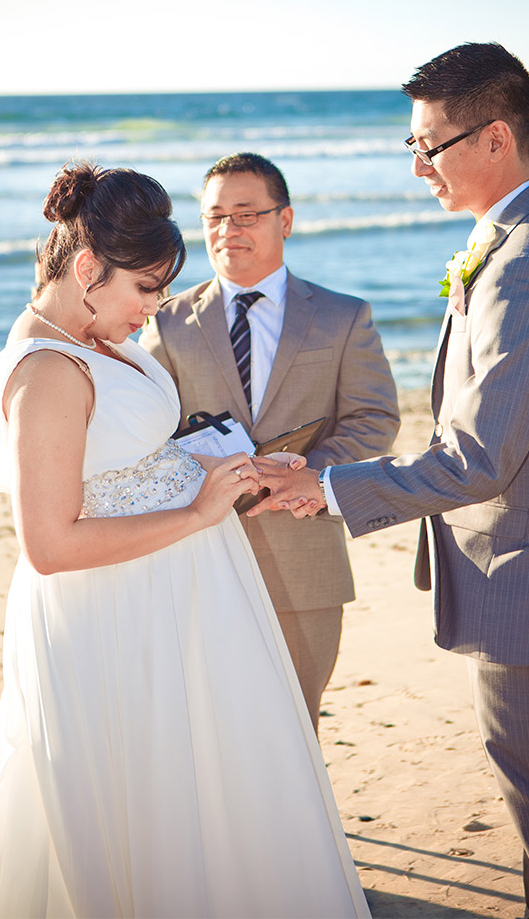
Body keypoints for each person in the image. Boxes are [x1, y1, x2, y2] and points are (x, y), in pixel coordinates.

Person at [255, 43, 529, 917]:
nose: (417, 163)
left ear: (495, 138)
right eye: (412, 144)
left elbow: (478, 458)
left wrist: (332, 487)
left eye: (430, 144)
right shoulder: (518, 237)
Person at [0, 161, 368, 917]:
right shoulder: (47, 370)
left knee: (209, 794)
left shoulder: (91, 330)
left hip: (169, 601)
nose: (154, 306)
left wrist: (235, 465)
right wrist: (194, 517)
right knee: (147, 804)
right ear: (87, 268)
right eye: (145, 289)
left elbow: (127, 458)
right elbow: (49, 545)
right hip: (114, 614)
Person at [138, 152, 399, 731]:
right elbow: (147, 431)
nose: (228, 230)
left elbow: (374, 418)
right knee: (209, 729)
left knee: (295, 728)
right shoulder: (166, 322)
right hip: (197, 558)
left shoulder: (343, 317)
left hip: (306, 559)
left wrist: (309, 476)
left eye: (246, 214)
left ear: (285, 219)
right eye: (214, 217)